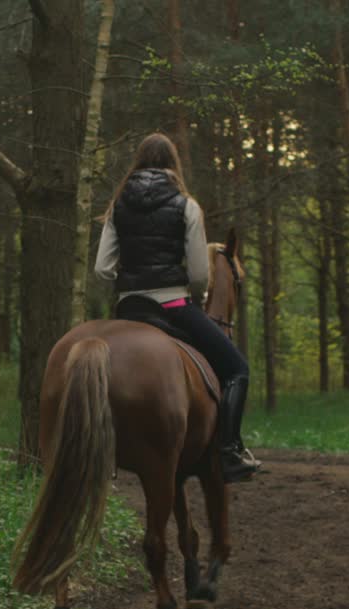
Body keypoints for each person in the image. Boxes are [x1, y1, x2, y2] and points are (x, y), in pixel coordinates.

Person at [94, 133, 261, 482]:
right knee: (236, 368)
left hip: (130, 308)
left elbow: (102, 268)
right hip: (171, 305)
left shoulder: (117, 204)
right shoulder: (187, 205)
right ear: (174, 163)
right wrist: (190, 292)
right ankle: (229, 451)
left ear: (137, 162)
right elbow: (201, 274)